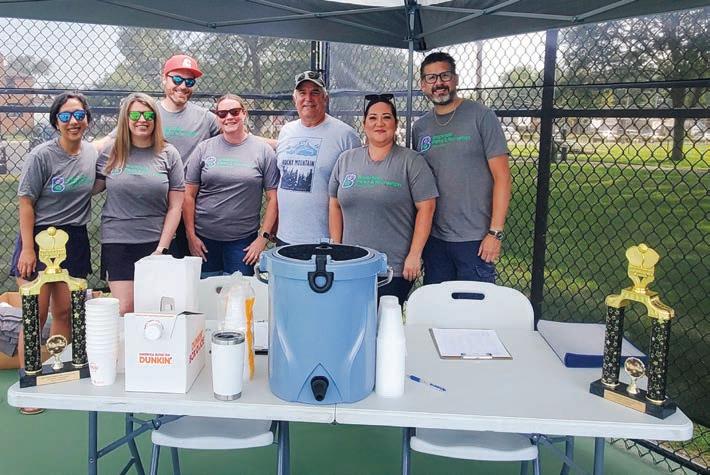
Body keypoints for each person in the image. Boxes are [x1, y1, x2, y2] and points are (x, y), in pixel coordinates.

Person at [11, 91, 97, 415]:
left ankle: (57, 376)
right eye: (65, 116)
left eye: (79, 115)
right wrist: (28, 249)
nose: (73, 121)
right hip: (38, 237)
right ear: (55, 122)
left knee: (64, 313)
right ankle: (30, 388)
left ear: (87, 120)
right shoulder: (41, 156)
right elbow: (25, 202)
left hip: (73, 238)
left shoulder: (92, 153)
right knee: (35, 315)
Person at [412, 52, 512, 284]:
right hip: (435, 239)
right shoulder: (420, 127)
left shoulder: (481, 116)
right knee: (438, 305)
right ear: (423, 85)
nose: (438, 83)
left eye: (444, 76)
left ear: (455, 79)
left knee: (473, 305)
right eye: (431, 78)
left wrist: (495, 232)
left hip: (475, 240)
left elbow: (503, 178)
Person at [329, 95, 437, 305]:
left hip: (392, 268)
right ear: (364, 124)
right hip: (351, 264)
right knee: (352, 318)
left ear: (395, 124)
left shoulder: (411, 161)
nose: (379, 123)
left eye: (386, 117)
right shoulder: (346, 159)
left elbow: (427, 208)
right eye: (373, 118)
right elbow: (334, 203)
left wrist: (414, 255)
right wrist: (337, 248)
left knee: (384, 321)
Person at [94, 93, 185, 316]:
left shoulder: (169, 153)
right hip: (118, 241)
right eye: (135, 115)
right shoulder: (112, 151)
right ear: (126, 119)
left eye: (148, 115)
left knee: (154, 309)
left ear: (155, 119)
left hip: (155, 241)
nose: (142, 120)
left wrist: (161, 249)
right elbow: (91, 187)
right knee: (126, 308)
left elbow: (175, 207)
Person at [184, 94, 279, 277]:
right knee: (206, 291)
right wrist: (191, 237)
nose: (229, 117)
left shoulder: (263, 151)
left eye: (234, 112)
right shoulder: (204, 148)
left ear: (244, 113)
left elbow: (272, 198)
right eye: (222, 113)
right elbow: (188, 196)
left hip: (242, 242)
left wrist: (262, 239)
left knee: (239, 291)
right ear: (217, 117)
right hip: (204, 240)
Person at [275, 70, 361, 245]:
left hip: (326, 240)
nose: (308, 98)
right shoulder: (286, 131)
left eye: (315, 92)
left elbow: (355, 190)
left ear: (325, 98)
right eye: (302, 93)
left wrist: (338, 241)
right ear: (294, 99)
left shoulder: (345, 135)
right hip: (285, 237)